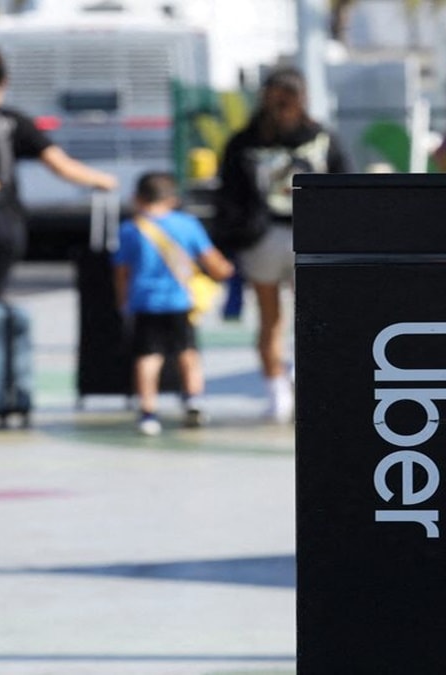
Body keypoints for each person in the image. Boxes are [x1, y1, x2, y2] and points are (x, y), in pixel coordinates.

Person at [213, 66, 349, 423]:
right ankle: (300, 387)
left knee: (273, 320)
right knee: (309, 318)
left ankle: (280, 393)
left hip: (267, 237)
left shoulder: (245, 141)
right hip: (306, 236)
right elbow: (345, 184)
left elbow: (227, 194)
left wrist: (235, 235)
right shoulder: (321, 138)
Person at [0, 44, 117, 305]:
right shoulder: (12, 121)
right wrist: (102, 180)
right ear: (4, 81)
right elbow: (60, 165)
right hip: (0, 219)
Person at [114, 172, 234, 435]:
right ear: (172, 198)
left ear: (138, 197)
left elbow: (122, 271)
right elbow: (213, 261)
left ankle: (148, 412)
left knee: (148, 357)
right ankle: (193, 400)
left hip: (144, 301)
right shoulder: (187, 224)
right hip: (181, 300)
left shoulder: (130, 229)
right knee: (188, 352)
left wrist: (123, 301)